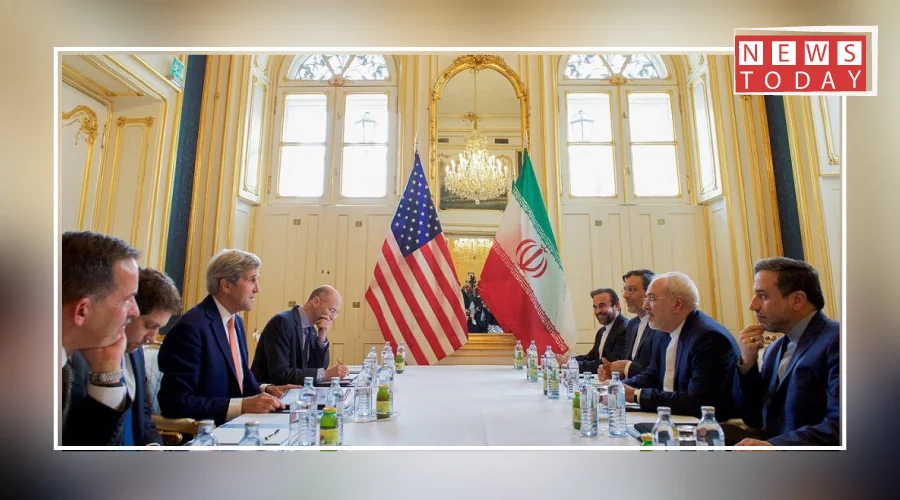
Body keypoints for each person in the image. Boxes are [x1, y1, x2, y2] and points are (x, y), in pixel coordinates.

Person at [157, 249, 296, 425]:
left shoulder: (236, 322)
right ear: (226, 285)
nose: (257, 289)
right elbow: (175, 402)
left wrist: (268, 390)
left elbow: (239, 378)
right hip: (209, 432)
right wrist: (242, 406)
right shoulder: (190, 328)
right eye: (252, 280)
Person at [66, 268, 182, 446]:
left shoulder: (136, 352)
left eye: (159, 328)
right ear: (129, 312)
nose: (153, 337)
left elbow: (143, 412)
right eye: (149, 325)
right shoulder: (81, 355)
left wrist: (153, 445)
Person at [734, 257, 840, 446]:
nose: (752, 305)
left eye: (763, 296)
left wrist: (776, 447)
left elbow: (841, 425)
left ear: (797, 300)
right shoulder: (774, 350)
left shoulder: (839, 340)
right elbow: (754, 419)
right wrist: (747, 365)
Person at [621, 272, 741, 419]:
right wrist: (616, 387)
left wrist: (636, 395)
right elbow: (651, 376)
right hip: (671, 417)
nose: (645, 306)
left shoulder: (708, 338)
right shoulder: (662, 333)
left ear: (677, 304)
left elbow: (697, 402)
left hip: (706, 425)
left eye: (651, 298)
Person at [61, 231, 140, 445]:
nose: (135, 312)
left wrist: (107, 373)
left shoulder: (77, 363)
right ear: (82, 310)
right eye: (128, 300)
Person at [252, 285, 349, 384]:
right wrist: (325, 374)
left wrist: (321, 338)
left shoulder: (311, 329)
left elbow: (318, 368)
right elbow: (280, 374)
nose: (332, 318)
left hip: (297, 389)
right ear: (316, 302)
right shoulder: (282, 323)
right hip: (271, 390)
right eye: (332, 311)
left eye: (335, 313)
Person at [599, 269, 661, 379]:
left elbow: (657, 373)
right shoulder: (632, 324)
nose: (625, 295)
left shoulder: (660, 324)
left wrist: (627, 367)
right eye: (625, 290)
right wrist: (613, 373)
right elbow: (626, 367)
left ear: (649, 293)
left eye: (631, 290)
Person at [573, 288, 627, 373]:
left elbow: (610, 362)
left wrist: (573, 365)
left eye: (602, 306)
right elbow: (592, 357)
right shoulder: (601, 331)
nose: (598, 311)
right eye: (595, 307)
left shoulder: (625, 328)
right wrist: (570, 360)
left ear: (616, 306)